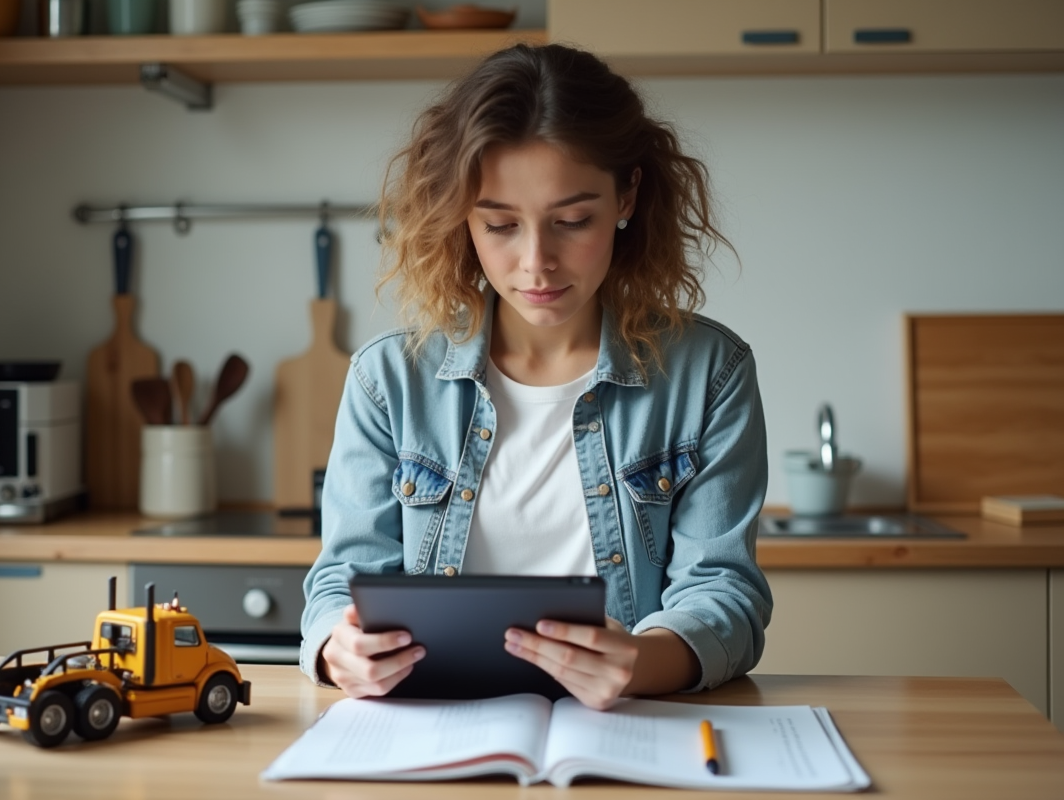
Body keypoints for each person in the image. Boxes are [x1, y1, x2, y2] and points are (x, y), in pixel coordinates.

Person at [299, 43, 772, 710]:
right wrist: (335, 648)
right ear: (460, 215)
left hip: (634, 733)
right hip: (430, 739)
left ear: (627, 196)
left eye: (572, 221)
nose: (536, 263)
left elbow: (725, 594)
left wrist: (641, 661)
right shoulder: (387, 380)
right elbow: (339, 588)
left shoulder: (709, 375)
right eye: (499, 225)